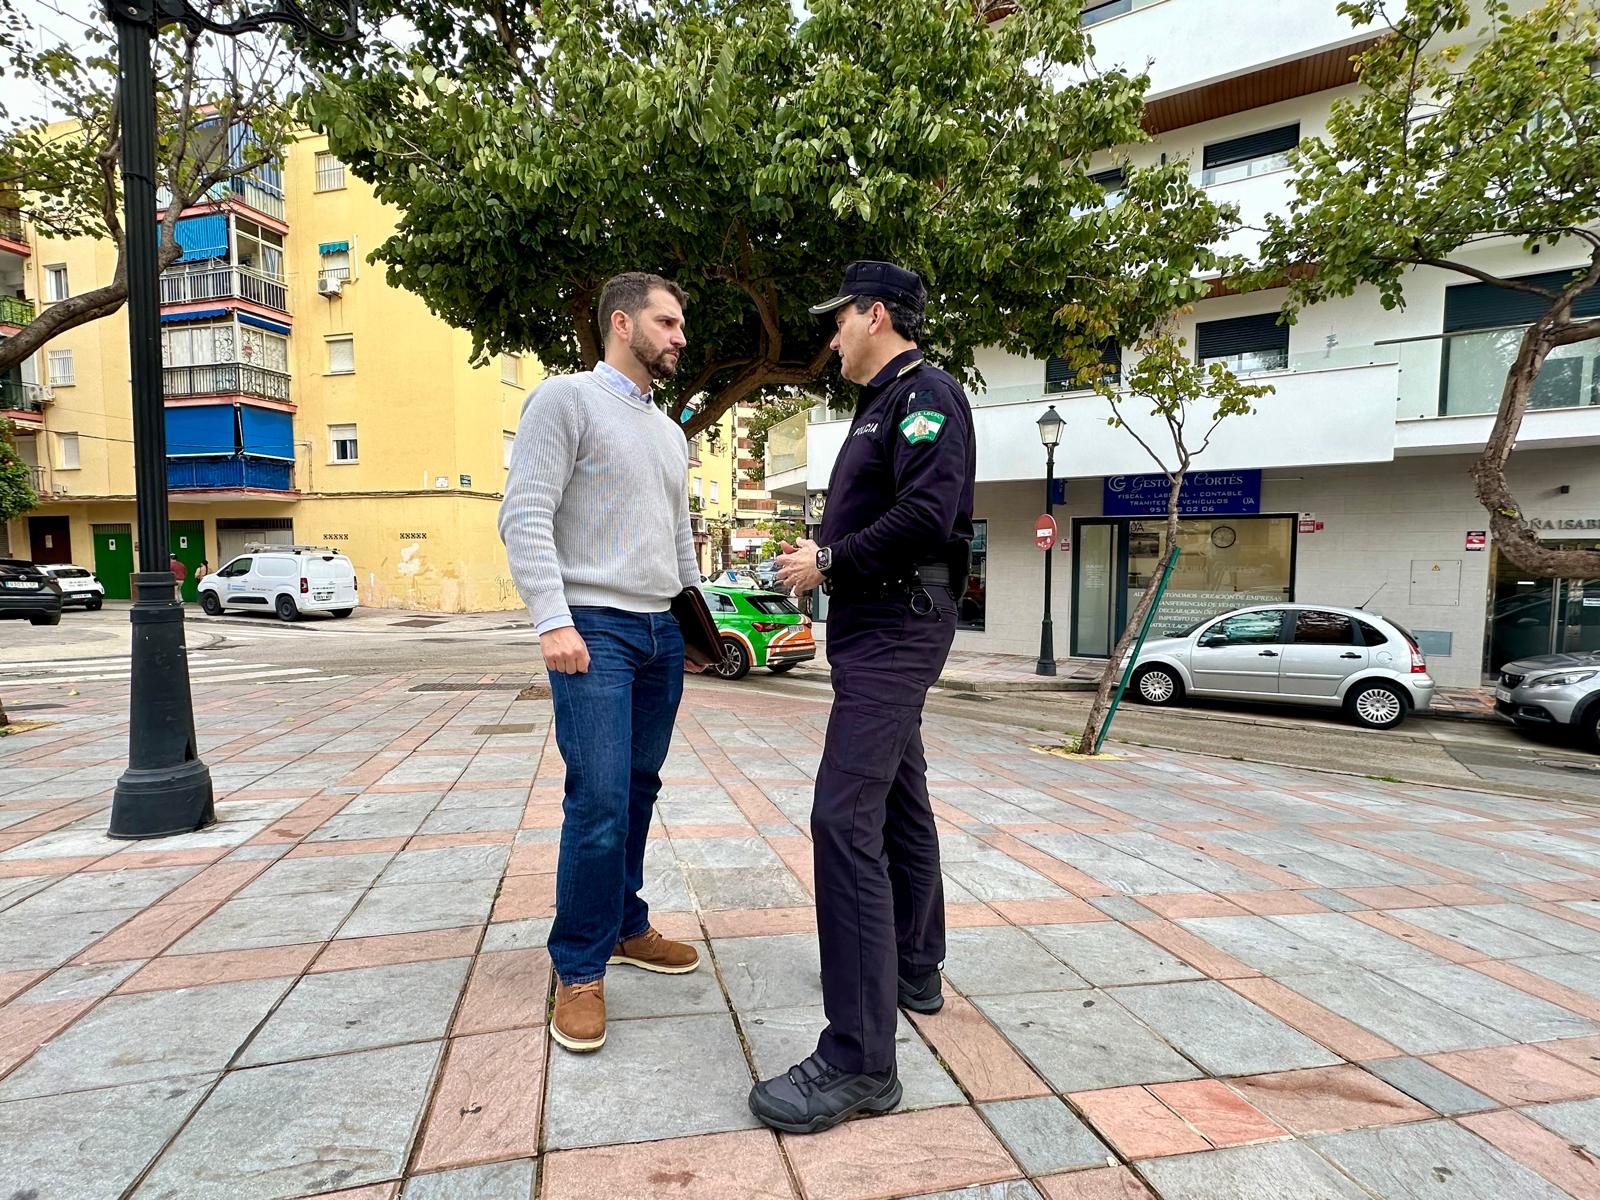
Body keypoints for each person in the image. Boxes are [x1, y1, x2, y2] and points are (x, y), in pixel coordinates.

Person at [752, 261, 976, 1133]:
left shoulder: (926, 396)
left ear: (876, 315)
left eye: (839, 318)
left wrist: (829, 561)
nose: (831, 334)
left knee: (842, 820)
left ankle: (859, 1060)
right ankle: (913, 965)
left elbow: (927, 517)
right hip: (877, 625)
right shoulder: (883, 403)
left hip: (895, 625)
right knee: (898, 799)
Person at [499, 272, 704, 1054]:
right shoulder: (566, 400)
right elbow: (524, 514)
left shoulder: (670, 433)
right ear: (622, 323)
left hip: (659, 635)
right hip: (593, 628)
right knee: (599, 800)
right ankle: (579, 968)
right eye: (667, 321)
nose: (680, 335)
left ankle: (625, 924)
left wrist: (696, 625)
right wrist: (553, 619)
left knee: (639, 790)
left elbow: (679, 538)